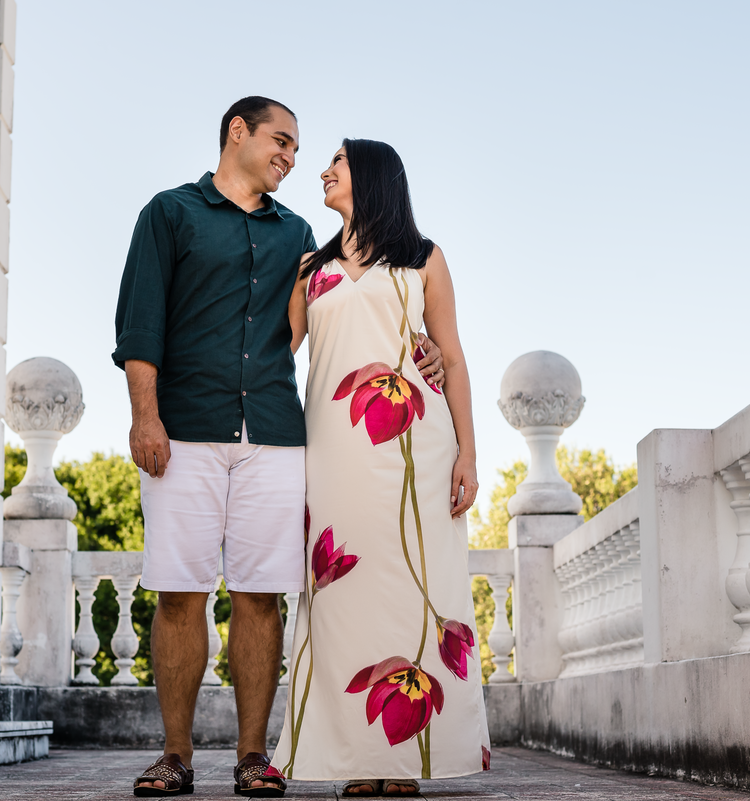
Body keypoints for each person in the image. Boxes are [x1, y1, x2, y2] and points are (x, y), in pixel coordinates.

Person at [113, 99, 444, 798]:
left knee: (262, 595)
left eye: (299, 149)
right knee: (180, 593)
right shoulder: (168, 214)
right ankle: (175, 754)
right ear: (239, 132)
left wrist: (425, 355)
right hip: (184, 430)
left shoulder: (300, 233)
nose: (292, 158)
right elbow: (139, 324)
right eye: (282, 141)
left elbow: (336, 321)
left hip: (274, 431)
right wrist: (146, 416)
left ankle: (253, 755)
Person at [271, 139, 490, 795]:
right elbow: (278, 353)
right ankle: (354, 759)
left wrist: (469, 453)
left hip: (415, 450)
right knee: (340, 597)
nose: (322, 171)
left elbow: (450, 358)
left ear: (367, 174)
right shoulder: (310, 265)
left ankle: (405, 763)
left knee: (411, 587)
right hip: (331, 450)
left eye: (335, 161)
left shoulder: (425, 258)